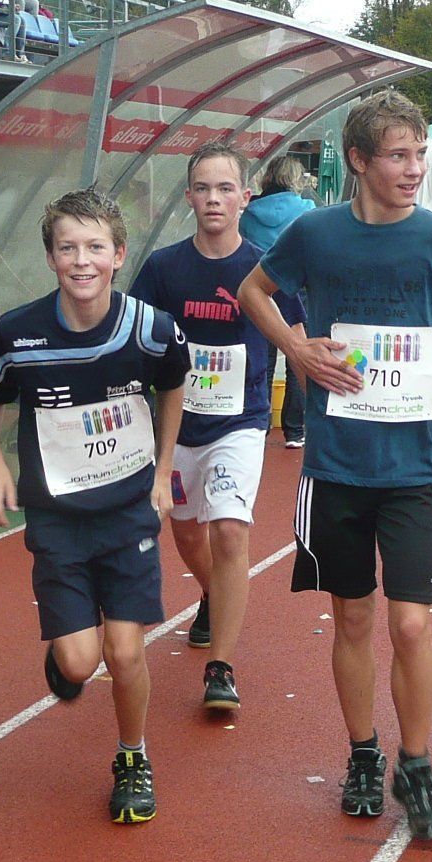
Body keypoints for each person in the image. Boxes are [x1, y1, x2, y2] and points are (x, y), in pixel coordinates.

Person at [237, 89, 432, 841]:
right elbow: (253, 290)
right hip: (337, 464)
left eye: (419, 154)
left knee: (411, 623)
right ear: (358, 160)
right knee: (352, 616)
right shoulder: (316, 234)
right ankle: (363, 753)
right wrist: (296, 348)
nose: (413, 168)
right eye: (397, 155)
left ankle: (415, 764)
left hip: (416, 461)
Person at [0, 189, 189, 823]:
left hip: (127, 511)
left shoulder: (150, 328)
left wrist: (163, 472)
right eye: (68, 248)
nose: (81, 261)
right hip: (59, 518)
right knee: (79, 661)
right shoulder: (18, 333)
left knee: (125, 652)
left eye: (95, 247)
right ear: (50, 259)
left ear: (118, 255)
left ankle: (132, 757)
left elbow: (174, 383)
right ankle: (68, 646)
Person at [130, 143, 305, 709]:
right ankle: (213, 594)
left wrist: (325, 396)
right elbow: (136, 340)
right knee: (186, 533)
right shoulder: (163, 269)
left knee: (229, 529)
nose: (214, 199)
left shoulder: (265, 269)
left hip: (241, 424)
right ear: (188, 197)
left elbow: (301, 338)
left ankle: (221, 669)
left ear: (244, 198)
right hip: (177, 429)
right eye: (203, 188)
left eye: (225, 188)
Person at [240, 154, 314, 449]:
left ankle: (262, 421)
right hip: (297, 288)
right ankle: (295, 430)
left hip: (260, 287)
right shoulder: (306, 210)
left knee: (264, 354)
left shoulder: (249, 214)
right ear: (295, 178)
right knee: (298, 351)